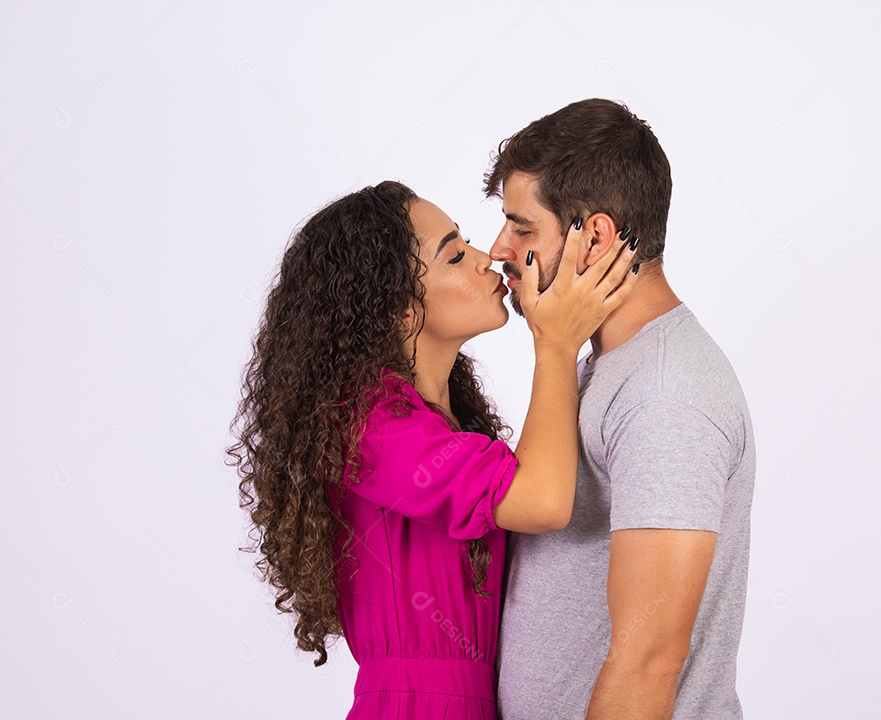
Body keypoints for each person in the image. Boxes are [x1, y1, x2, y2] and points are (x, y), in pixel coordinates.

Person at [226, 179, 638, 718]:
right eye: (454, 255)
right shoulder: (367, 426)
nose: (487, 257)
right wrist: (556, 341)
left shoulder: (440, 426)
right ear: (397, 309)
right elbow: (542, 501)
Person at [487, 99, 756, 719]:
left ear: (597, 237)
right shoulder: (605, 369)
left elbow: (649, 659)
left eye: (522, 227)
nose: (500, 249)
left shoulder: (667, 391)